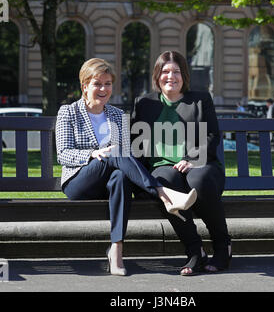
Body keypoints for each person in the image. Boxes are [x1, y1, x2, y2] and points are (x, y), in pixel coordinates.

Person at [56, 58, 197, 276]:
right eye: (97, 84)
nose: (103, 89)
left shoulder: (117, 115)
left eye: (108, 84)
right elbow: (63, 154)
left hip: (110, 182)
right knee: (114, 152)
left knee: (121, 176)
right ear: (85, 86)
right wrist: (93, 154)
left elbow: (126, 155)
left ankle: (117, 251)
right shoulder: (68, 112)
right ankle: (163, 193)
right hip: (79, 182)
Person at [131, 51, 232, 276]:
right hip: (163, 167)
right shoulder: (144, 103)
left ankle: (223, 246)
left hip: (201, 164)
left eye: (176, 71)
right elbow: (136, 144)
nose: (171, 76)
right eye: (165, 71)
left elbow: (212, 136)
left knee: (199, 179)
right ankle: (195, 251)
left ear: (184, 75)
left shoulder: (200, 100)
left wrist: (192, 159)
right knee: (165, 181)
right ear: (157, 76)